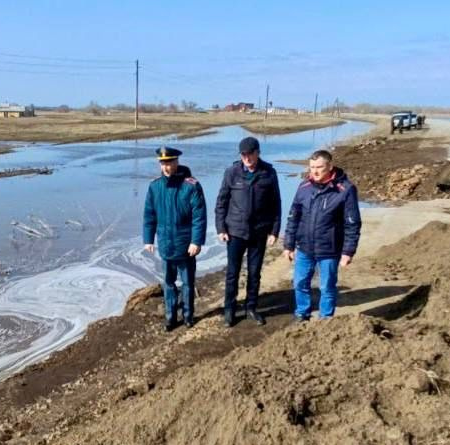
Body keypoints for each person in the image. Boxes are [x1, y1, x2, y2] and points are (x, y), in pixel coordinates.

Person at [282, 149, 361, 322]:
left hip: (329, 250)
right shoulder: (304, 187)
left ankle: (326, 321)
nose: (315, 172)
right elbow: (293, 216)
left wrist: (348, 251)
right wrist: (288, 244)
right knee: (299, 283)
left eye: (319, 167)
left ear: (330, 166)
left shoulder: (345, 190)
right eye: (311, 167)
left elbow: (352, 223)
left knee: (327, 287)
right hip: (304, 248)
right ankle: (302, 315)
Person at [215, 136, 281, 327]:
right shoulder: (232, 173)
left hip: (259, 232)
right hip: (235, 231)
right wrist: (221, 228)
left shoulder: (269, 173)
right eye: (243, 155)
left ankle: (251, 307)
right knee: (232, 273)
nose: (247, 158)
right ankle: (230, 309)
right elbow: (222, 202)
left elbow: (276, 204)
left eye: (250, 154)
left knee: (254, 272)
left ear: (257, 153)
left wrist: (274, 231)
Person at [143, 146, 207, 331]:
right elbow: (149, 214)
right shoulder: (155, 186)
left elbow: (199, 216)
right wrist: (148, 239)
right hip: (165, 244)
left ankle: (188, 316)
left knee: (187, 283)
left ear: (176, 162)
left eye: (169, 162)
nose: (166, 167)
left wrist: (196, 241)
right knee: (168, 283)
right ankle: (170, 317)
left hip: (186, 245)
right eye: (163, 163)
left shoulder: (191, 186)